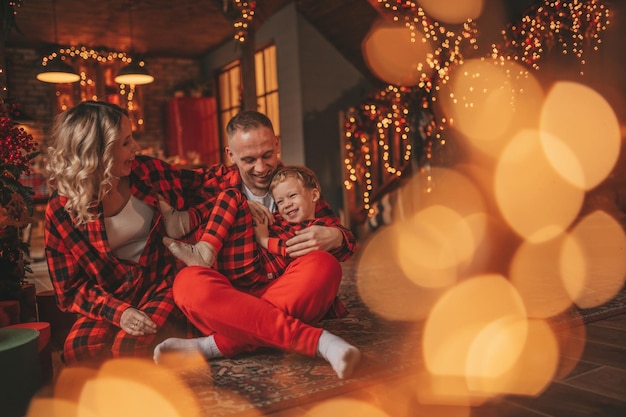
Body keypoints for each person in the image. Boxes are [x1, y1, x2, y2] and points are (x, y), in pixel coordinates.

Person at [153, 111, 361, 379]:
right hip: (227, 295)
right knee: (187, 283)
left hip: (283, 289)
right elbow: (153, 173)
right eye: (248, 160)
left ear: (277, 144)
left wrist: (337, 237)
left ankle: (210, 346)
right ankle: (319, 341)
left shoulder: (294, 182)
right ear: (230, 154)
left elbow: (348, 245)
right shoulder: (212, 183)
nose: (261, 168)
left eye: (267, 155)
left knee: (325, 265)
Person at [44, 101, 197, 365]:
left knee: (131, 347)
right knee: (80, 350)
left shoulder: (147, 172)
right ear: (96, 152)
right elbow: (68, 290)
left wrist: (260, 175)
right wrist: (119, 313)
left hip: (162, 282)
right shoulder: (60, 210)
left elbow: (202, 181)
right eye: (126, 142)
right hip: (111, 295)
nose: (136, 148)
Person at [162, 165, 342, 285]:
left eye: (292, 196)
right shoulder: (281, 219)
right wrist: (248, 212)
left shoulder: (315, 229)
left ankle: (198, 242)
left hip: (258, 270)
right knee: (230, 199)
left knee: (233, 196)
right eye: (280, 201)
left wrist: (264, 239)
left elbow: (290, 248)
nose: (286, 204)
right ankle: (186, 223)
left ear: (314, 195)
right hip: (243, 264)